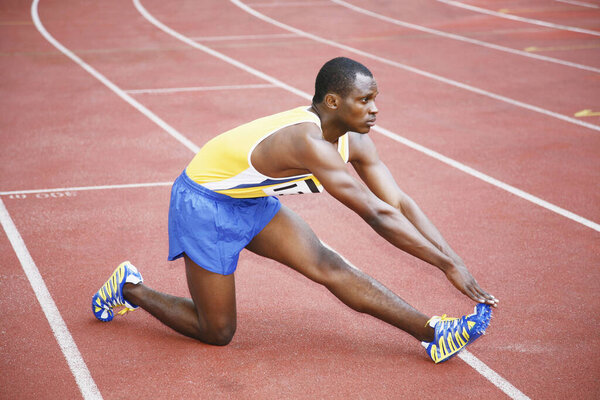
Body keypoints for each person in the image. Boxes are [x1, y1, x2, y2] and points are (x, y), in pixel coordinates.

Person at [92, 57, 498, 363]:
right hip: (204, 203)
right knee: (216, 331)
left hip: (249, 201)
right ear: (334, 101)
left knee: (331, 266)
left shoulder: (356, 142)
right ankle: (130, 288)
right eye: (365, 100)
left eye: (375, 99)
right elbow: (377, 215)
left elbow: (400, 203)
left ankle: (433, 334)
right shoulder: (307, 142)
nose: (375, 109)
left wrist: (454, 259)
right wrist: (446, 267)